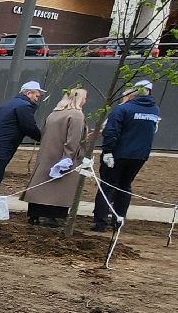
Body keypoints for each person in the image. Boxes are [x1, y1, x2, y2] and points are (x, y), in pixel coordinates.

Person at [93, 78, 161, 231]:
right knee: (125, 186)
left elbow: (111, 131)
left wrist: (108, 151)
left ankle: (100, 222)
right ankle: (118, 220)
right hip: (139, 156)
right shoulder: (154, 110)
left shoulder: (123, 109)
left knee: (108, 186)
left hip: (118, 154)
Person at [20, 87, 87, 227]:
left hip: (46, 156)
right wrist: (68, 157)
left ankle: (35, 214)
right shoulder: (76, 115)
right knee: (59, 187)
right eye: (84, 98)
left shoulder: (54, 114)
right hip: (62, 156)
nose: (85, 101)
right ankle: (53, 217)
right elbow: (73, 140)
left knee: (41, 184)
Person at [0, 80, 44, 197]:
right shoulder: (24, 106)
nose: (37, 99)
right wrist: (43, 138)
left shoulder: (10, 103)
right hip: (0, 148)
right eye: (36, 96)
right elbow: (29, 127)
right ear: (28, 93)